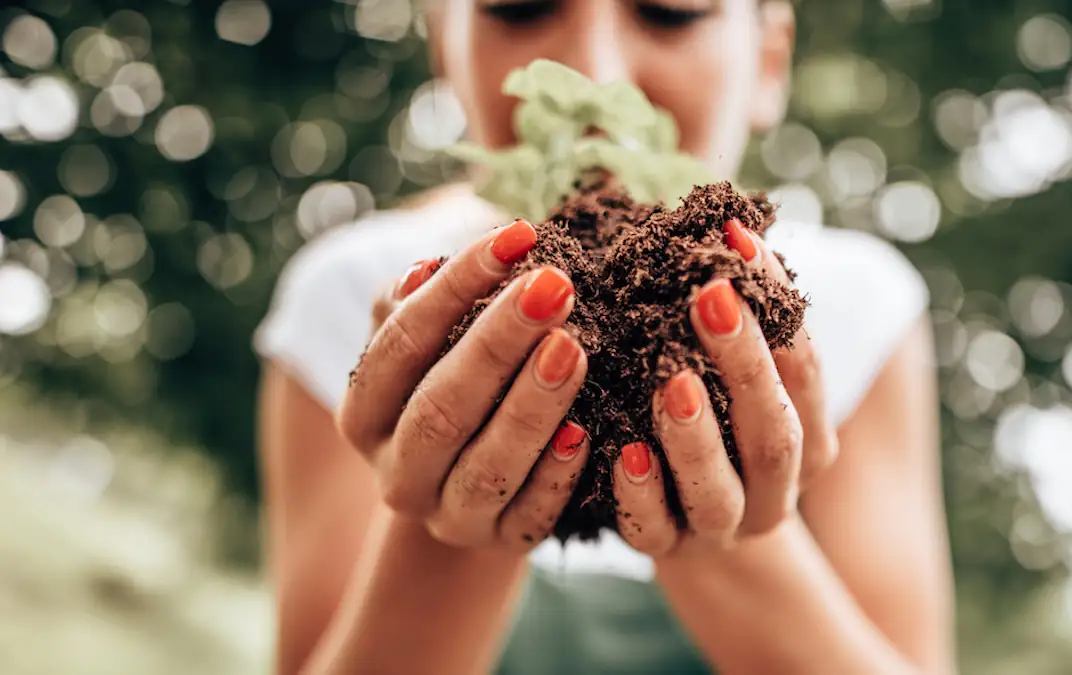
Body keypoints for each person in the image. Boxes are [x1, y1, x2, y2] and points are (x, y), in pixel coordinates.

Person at [253, 0, 957, 672]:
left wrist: (722, 526)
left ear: (769, 60)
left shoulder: (856, 307)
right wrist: (445, 520)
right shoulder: (358, 300)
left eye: (672, 12)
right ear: (444, 44)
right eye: (518, 8)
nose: (594, 74)